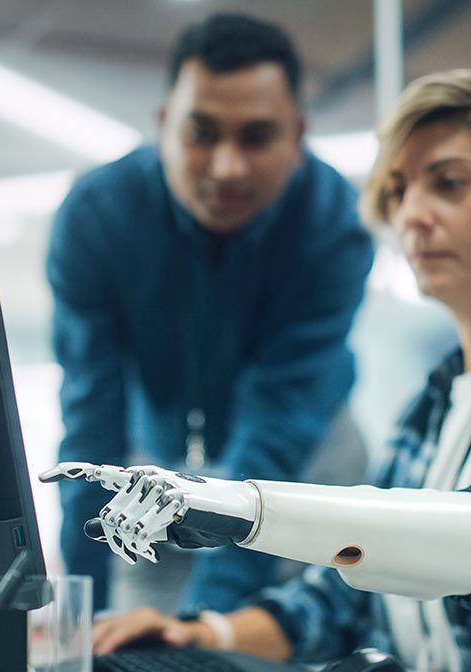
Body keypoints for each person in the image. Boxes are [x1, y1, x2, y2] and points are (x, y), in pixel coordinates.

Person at [43, 69, 471, 672]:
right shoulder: (432, 406)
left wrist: (246, 508)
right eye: (398, 191)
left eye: (449, 184)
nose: (413, 215)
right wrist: (204, 633)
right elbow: (346, 599)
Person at [46, 13, 374, 612]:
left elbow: (279, 421)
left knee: (293, 623)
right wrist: (81, 613)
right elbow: (92, 412)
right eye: (202, 134)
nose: (227, 167)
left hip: (307, 457)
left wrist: (207, 629)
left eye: (256, 137)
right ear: (166, 125)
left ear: (297, 138)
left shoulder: (335, 227)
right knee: (128, 624)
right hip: (158, 454)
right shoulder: (95, 216)